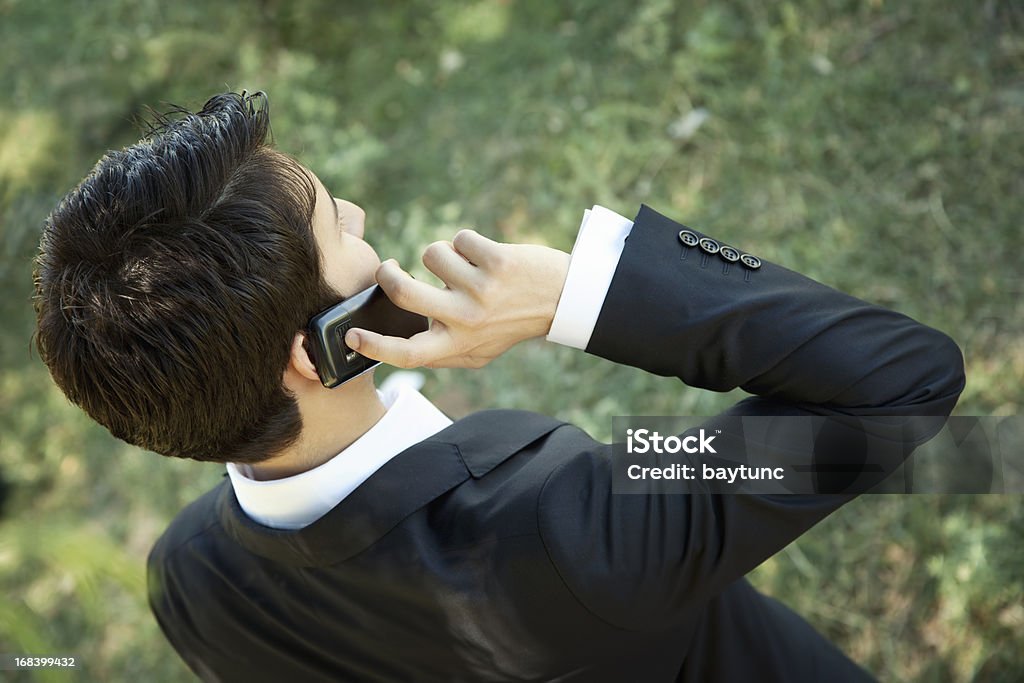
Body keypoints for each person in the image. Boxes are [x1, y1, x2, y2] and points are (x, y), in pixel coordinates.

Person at [33, 92, 964, 682]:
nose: (358, 213)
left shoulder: (189, 575)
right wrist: (581, 296)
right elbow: (895, 384)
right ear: (314, 354)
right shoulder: (571, 527)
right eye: (336, 225)